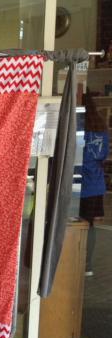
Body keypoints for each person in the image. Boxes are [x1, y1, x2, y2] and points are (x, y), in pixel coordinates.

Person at [79, 94, 110, 276]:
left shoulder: (79, 128)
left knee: (74, 224)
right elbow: (103, 156)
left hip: (79, 184)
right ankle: (87, 265)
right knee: (90, 225)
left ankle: (72, 258)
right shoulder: (101, 129)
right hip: (95, 184)